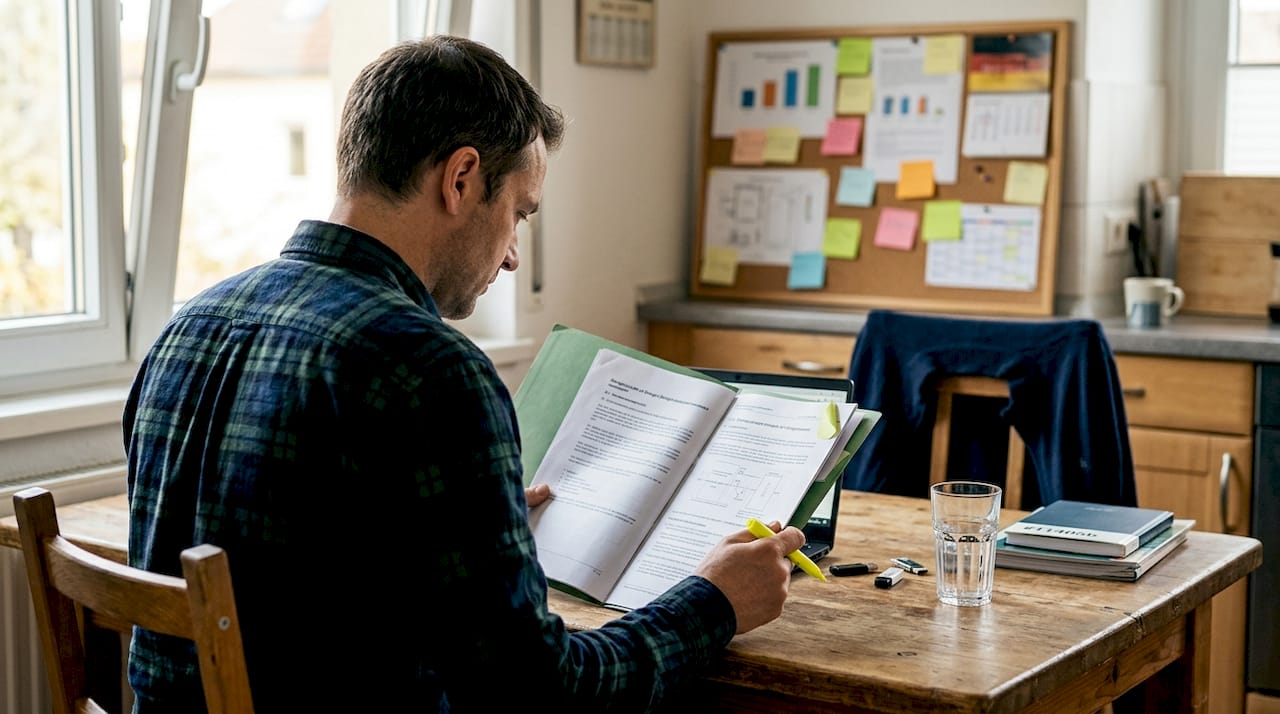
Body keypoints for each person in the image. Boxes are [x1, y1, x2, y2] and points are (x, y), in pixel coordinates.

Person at [123, 35, 806, 712]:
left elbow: (304, 553)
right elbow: (541, 696)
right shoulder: (430, 370)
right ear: (461, 179)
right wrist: (713, 602)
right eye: (519, 214)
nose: (512, 256)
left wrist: (472, 525)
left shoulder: (189, 328)